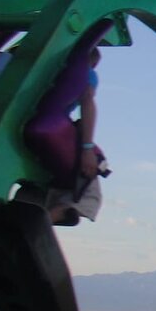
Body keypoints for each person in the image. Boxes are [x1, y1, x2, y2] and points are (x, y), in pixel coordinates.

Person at [46, 47, 106, 226]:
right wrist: (87, 148)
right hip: (48, 125)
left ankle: (37, 203)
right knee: (89, 186)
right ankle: (50, 217)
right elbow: (87, 99)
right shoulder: (85, 73)